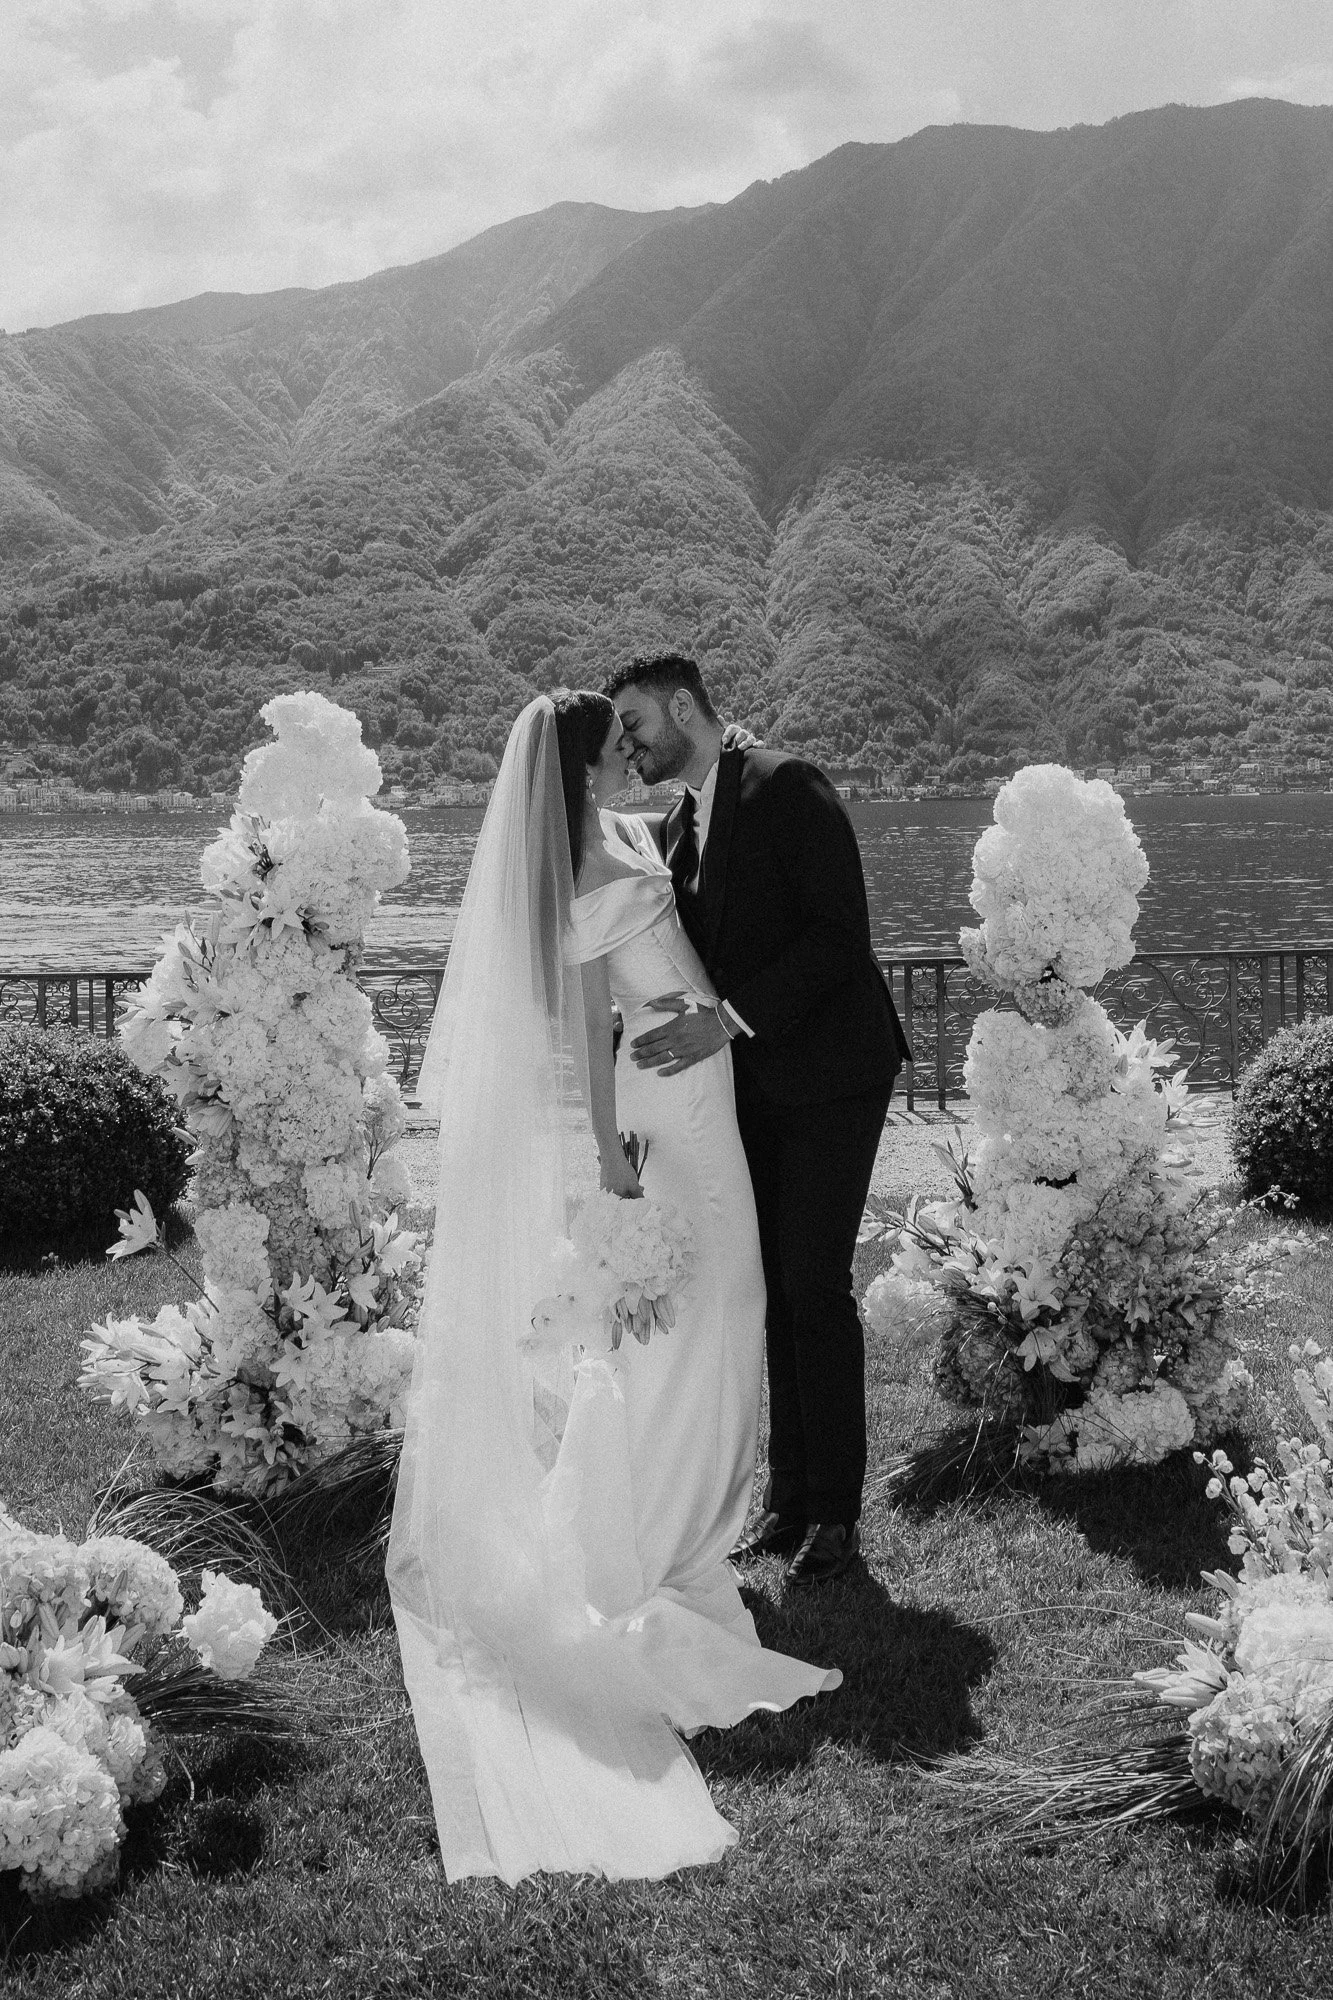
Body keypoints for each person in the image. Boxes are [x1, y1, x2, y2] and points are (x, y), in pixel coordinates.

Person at [388, 691, 838, 1885]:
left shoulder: (629, 834)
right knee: (708, 1311)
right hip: (661, 1116)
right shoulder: (583, 876)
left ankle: (708, 1501)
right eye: (617, 739)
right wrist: (606, 1165)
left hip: (707, 1097)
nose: (632, 750)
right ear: (586, 759)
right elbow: (590, 1033)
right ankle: (673, 1521)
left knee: (720, 1313)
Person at [606, 655, 911, 1586]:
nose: (629, 743)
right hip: (751, 1089)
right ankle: (787, 1500)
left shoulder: (785, 785)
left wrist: (726, 1021)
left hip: (829, 1079)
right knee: (774, 1285)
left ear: (686, 707)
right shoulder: (680, 824)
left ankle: (835, 1517)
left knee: (814, 1286)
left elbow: (838, 938)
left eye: (636, 723)